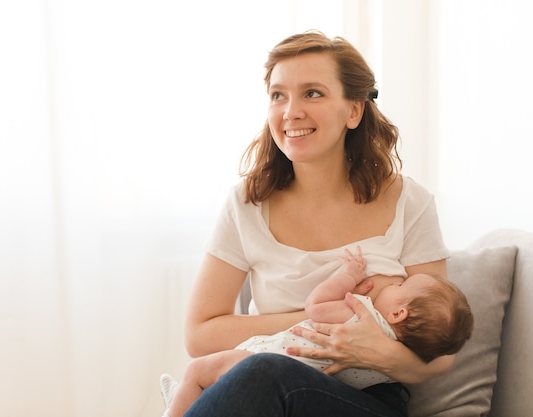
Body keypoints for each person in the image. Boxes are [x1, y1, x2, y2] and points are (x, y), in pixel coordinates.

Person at [175, 29, 457, 416]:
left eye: (312, 93)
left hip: (366, 400)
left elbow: (442, 356)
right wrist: (321, 320)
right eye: (278, 95)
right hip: (266, 383)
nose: (291, 111)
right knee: (261, 370)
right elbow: (200, 334)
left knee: (263, 372)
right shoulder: (246, 203)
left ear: (354, 110)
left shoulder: (410, 203)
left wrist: (373, 350)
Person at [160, 248, 473, 417]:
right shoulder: (392, 358)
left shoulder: (362, 318)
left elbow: (317, 307)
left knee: (207, 372)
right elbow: (199, 335)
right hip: (293, 376)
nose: (394, 283)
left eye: (401, 285)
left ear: (398, 313)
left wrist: (348, 276)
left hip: (279, 362)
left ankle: (185, 402)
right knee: (253, 374)